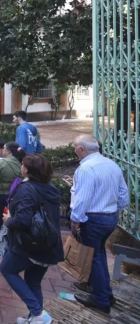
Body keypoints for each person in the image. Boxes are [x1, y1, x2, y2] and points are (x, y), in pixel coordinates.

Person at [1, 154, 63, 324]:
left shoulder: (26, 189)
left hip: (29, 243)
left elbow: (22, 220)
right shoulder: (50, 188)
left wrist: (8, 220)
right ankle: (34, 318)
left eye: (22, 164)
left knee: (7, 269)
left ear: (26, 170)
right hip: (48, 243)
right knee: (33, 282)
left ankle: (37, 313)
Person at [71, 134, 129, 314]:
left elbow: (83, 199)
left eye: (75, 148)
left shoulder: (86, 169)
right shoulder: (112, 164)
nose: (75, 151)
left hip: (94, 219)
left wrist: (76, 220)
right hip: (110, 217)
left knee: (93, 258)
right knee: (98, 255)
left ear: (81, 149)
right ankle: (105, 294)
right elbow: (123, 195)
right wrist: (111, 209)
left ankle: (100, 299)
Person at [0, 141, 25, 249]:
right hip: (15, 195)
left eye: (3, 148)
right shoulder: (20, 164)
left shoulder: (1, 163)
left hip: (1, 195)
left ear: (8, 151)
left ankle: (0, 245)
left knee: (0, 218)